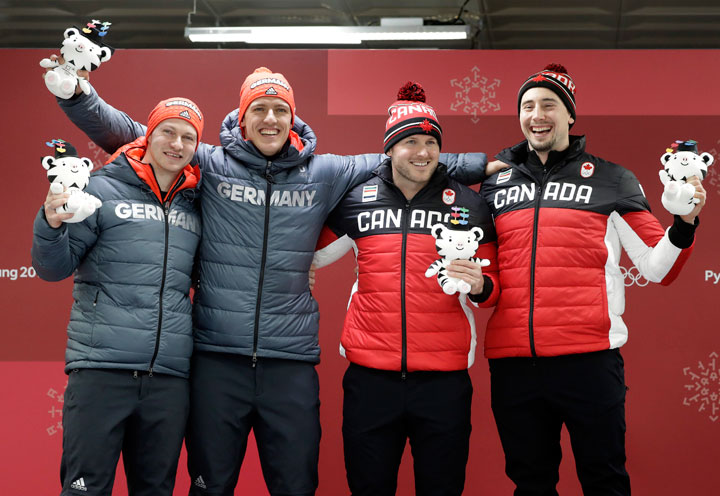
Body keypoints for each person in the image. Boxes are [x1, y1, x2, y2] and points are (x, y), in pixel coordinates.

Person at [49, 65, 490, 495]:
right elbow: (132, 134)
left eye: (280, 109)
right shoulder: (210, 162)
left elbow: (408, 155)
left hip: (289, 363)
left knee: (296, 485)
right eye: (258, 109)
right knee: (211, 485)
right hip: (217, 359)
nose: (270, 119)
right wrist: (77, 96)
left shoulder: (325, 171)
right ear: (243, 120)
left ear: (293, 119)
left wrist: (483, 165)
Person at [479, 63, 706, 495]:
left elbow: (659, 268)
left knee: (604, 481)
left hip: (589, 362)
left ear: (570, 115)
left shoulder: (613, 178)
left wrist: (685, 223)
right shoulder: (495, 184)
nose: (537, 115)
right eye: (528, 106)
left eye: (549, 104)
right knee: (530, 483)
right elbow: (484, 283)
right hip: (513, 365)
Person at [312, 82, 500, 496]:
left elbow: (493, 290)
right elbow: (312, 254)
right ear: (390, 149)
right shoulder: (357, 198)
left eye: (431, 142)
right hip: (370, 380)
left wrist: (482, 285)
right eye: (411, 141)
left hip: (444, 383)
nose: (423, 151)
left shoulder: (468, 204)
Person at [32, 97, 204, 495]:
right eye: (167, 132)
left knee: (155, 489)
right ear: (148, 136)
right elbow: (53, 268)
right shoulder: (100, 190)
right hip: (101, 371)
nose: (176, 144)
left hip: (168, 380)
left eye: (188, 137)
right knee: (84, 489)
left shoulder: (196, 204)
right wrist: (50, 223)